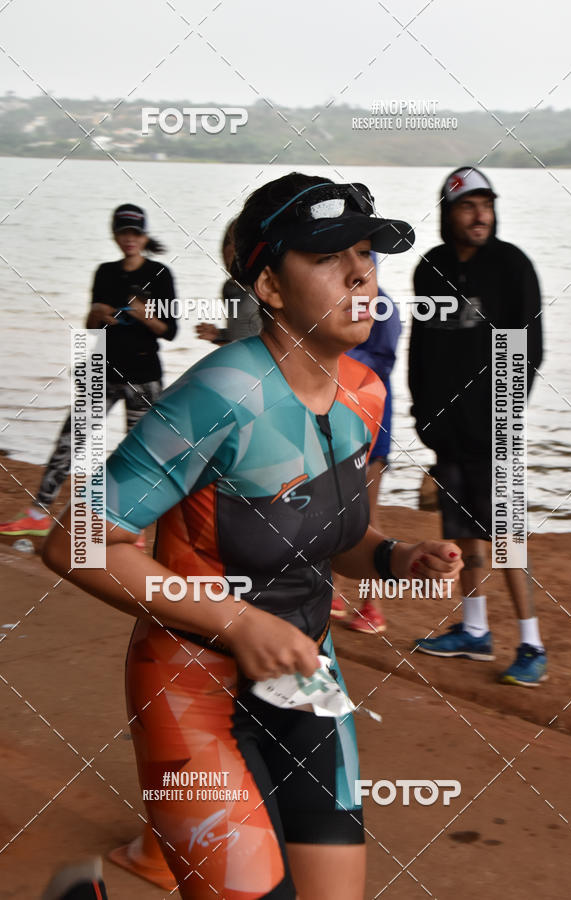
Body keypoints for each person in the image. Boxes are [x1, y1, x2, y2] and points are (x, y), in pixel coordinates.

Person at [43, 172, 463, 900]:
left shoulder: (365, 393)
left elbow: (323, 538)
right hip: (193, 687)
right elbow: (74, 542)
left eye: (367, 252)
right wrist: (239, 623)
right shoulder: (221, 394)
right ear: (268, 285)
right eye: (331, 255)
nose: (362, 271)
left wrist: (397, 559)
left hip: (304, 684)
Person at [409, 166, 546, 687]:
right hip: (448, 431)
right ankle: (474, 630)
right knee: (460, 531)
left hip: (498, 429)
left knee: (507, 537)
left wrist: (505, 421)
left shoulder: (512, 267)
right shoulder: (431, 268)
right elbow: (419, 349)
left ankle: (531, 643)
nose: (480, 214)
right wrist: (426, 418)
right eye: (468, 206)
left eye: (486, 204)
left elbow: (528, 348)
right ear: (449, 213)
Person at [0, 204, 177, 544]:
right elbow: (91, 330)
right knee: (68, 442)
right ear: (115, 235)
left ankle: (132, 528)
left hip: (144, 379)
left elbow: (169, 331)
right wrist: (96, 313)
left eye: (135, 233)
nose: (130, 239)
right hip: (103, 374)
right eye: (124, 233)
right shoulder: (105, 273)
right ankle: (38, 514)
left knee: (137, 456)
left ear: (144, 236)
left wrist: (142, 315)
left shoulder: (160, 274)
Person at [330, 253, 402, 634]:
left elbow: (383, 362)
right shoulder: (334, 303)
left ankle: (372, 605)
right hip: (335, 420)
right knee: (329, 508)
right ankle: (334, 593)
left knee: (366, 514)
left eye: (365, 263)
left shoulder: (383, 306)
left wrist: (335, 355)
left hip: (373, 423)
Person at [195, 218, 262, 345]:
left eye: (237, 242)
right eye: (228, 241)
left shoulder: (265, 284)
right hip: (240, 360)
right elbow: (238, 336)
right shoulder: (230, 288)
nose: (231, 248)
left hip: (265, 361)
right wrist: (218, 336)